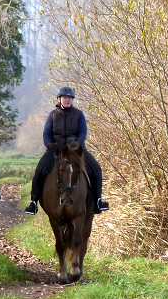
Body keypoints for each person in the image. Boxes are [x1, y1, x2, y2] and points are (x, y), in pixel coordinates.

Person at [25, 86, 110, 215]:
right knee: (39, 170)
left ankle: (98, 200)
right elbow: (46, 133)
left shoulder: (79, 114)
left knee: (96, 169)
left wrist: (78, 145)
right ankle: (33, 202)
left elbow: (83, 132)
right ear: (59, 99)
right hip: (57, 150)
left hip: (76, 151)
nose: (67, 100)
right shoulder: (53, 115)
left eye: (70, 98)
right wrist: (49, 145)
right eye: (65, 97)